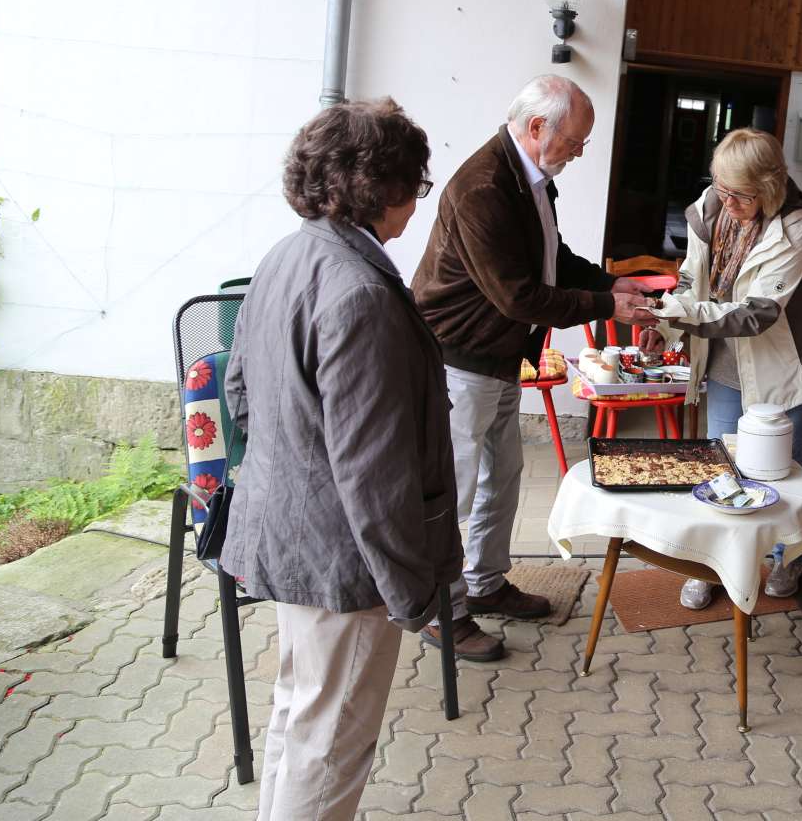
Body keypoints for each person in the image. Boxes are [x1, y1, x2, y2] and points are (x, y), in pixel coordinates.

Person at [219, 100, 462, 821]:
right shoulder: (360, 291)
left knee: (301, 717)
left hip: (292, 538)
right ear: (381, 187)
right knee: (329, 745)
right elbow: (374, 471)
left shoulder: (288, 254)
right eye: (416, 188)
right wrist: (409, 592)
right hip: (346, 564)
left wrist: (287, 471)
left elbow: (240, 395)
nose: (416, 205)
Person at [411, 74, 658, 660]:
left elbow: (552, 258)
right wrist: (606, 305)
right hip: (458, 358)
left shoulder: (533, 179)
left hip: (497, 356)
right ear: (538, 126)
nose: (578, 151)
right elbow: (518, 296)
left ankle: (485, 584)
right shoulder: (484, 187)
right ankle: (437, 610)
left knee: (504, 475)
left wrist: (606, 280)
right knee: (458, 487)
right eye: (575, 140)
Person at [642, 128, 802, 608]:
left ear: (769, 188)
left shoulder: (794, 229)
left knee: (779, 467)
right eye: (721, 188)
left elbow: (757, 313)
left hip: (785, 363)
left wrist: (682, 316)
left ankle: (785, 557)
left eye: (740, 195)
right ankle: (715, 563)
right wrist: (666, 325)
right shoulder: (710, 207)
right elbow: (693, 279)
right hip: (725, 358)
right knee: (721, 464)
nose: (727, 201)